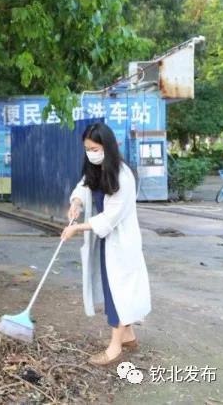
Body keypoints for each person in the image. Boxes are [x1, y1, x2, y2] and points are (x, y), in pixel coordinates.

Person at [61, 123, 151, 366]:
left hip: (121, 242)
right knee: (114, 289)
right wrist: (76, 202)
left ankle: (115, 348)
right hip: (106, 242)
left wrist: (76, 228)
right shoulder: (96, 168)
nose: (91, 153)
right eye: (87, 149)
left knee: (119, 292)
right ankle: (128, 336)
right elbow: (83, 186)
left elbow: (110, 218)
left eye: (95, 149)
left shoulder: (123, 175)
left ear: (107, 147)